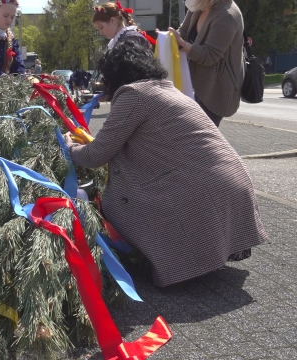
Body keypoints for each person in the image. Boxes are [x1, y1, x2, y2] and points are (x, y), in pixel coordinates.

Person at [65, 41, 267, 287]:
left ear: (117, 74)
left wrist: (69, 147)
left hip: (203, 191)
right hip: (234, 186)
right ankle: (206, 252)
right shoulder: (169, 90)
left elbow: (95, 156)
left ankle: (180, 258)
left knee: (116, 204)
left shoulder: (134, 95)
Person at [168, 0, 244, 127]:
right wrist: (168, 37)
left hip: (215, 91)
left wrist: (181, 43)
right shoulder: (200, 6)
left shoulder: (228, 15)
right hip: (194, 85)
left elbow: (210, 55)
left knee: (198, 139)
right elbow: (184, 31)